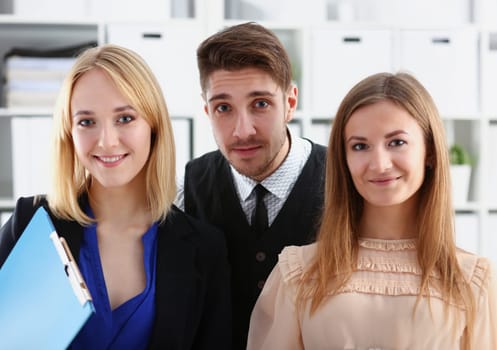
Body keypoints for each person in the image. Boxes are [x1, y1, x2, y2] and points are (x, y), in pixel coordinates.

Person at [0, 44, 231, 349]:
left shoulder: (204, 248)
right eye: (86, 122)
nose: (106, 141)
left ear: (153, 125)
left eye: (124, 119)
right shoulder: (33, 222)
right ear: (69, 132)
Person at [247, 72, 497, 349]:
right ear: (344, 160)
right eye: (360, 146)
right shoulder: (297, 273)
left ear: (429, 152)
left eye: (396, 142)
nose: (379, 164)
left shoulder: (473, 281)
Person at [175, 22, 326, 349]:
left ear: (290, 102)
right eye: (223, 108)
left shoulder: (343, 181)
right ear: (207, 110)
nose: (242, 131)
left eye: (260, 104)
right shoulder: (185, 189)